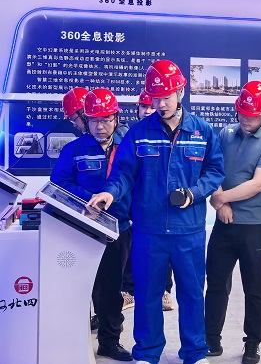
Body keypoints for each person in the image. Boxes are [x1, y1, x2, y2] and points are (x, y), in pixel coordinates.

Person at [88, 59, 225, 364]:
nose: (160, 105)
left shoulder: (202, 131)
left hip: (188, 230)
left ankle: (194, 352)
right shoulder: (139, 133)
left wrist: (194, 193)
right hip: (149, 230)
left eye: (166, 97)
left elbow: (215, 171)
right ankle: (147, 353)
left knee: (191, 293)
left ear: (180, 93)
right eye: (155, 98)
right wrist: (110, 192)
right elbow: (123, 172)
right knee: (148, 294)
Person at [204, 81, 261, 364]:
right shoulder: (226, 134)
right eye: (243, 113)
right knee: (216, 283)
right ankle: (211, 339)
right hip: (224, 224)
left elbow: (257, 184)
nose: (247, 119)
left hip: (254, 225)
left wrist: (220, 199)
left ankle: (253, 343)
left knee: (254, 287)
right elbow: (212, 169)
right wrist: (220, 203)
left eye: (253, 115)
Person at [52, 88, 133, 361]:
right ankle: (74, 339)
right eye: (94, 120)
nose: (100, 126)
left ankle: (109, 342)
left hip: (119, 229)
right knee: (80, 286)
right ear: (86, 120)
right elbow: (59, 183)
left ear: (116, 118)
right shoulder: (74, 150)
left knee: (111, 289)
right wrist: (91, 199)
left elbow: (137, 181)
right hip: (84, 229)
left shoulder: (128, 147)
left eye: (106, 119)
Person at [121, 89, 175, 312]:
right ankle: (129, 292)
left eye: (152, 107)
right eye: (144, 106)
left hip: (162, 205)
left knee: (165, 249)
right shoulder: (132, 135)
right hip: (135, 203)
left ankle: (164, 290)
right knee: (131, 248)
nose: (149, 111)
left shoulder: (169, 135)